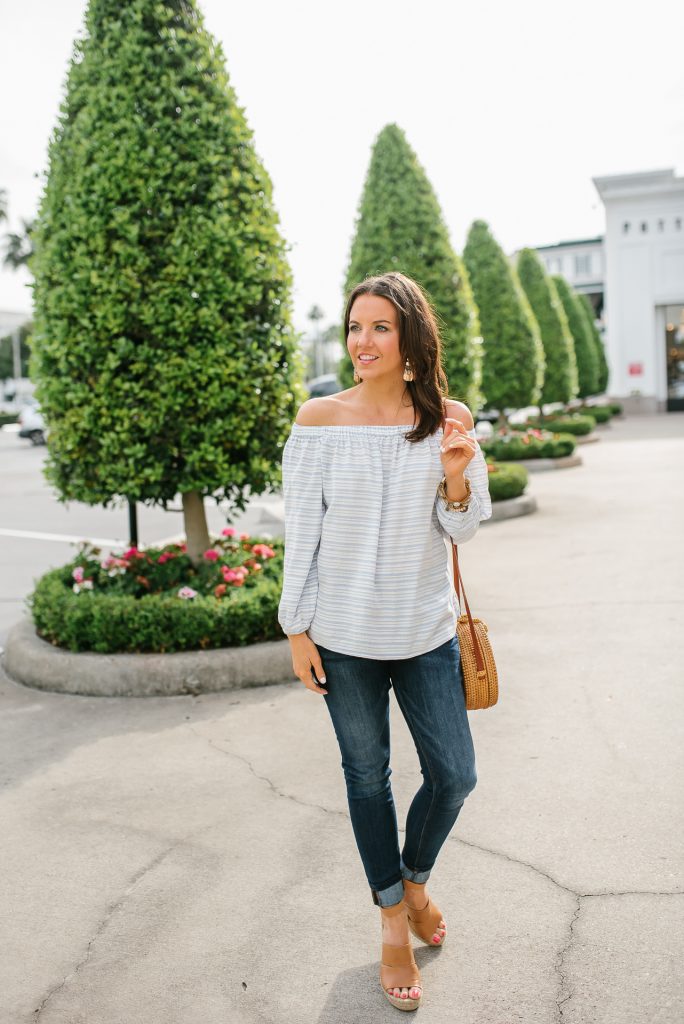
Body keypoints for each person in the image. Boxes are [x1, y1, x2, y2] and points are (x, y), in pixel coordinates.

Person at [277, 271, 492, 1011]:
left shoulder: (449, 417)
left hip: (425, 630)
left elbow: (463, 529)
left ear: (409, 340)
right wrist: (297, 630)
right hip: (342, 637)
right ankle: (393, 921)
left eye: (378, 328)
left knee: (455, 776)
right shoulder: (318, 419)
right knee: (367, 778)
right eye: (354, 327)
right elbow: (301, 536)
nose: (361, 342)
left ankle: (417, 880)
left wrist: (457, 481)